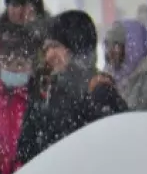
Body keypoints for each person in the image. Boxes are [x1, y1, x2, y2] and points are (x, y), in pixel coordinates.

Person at [19, 10, 126, 164]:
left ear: (75, 48)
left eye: (55, 46)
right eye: (46, 49)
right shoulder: (49, 89)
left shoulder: (98, 88)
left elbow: (112, 149)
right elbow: (26, 150)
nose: (48, 56)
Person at [0, 21, 39, 174]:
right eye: (7, 64)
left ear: (31, 67)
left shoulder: (36, 102)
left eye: (20, 65)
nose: (13, 70)